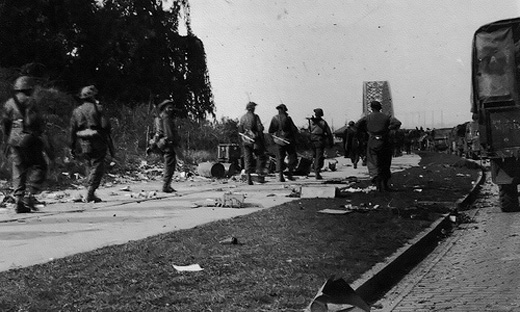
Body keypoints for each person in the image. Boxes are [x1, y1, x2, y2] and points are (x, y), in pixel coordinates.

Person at [2, 76, 54, 213]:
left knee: (18, 168)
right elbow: (33, 121)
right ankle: (30, 195)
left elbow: (5, 123)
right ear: (29, 88)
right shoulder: (30, 101)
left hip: (13, 139)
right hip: (28, 138)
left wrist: (9, 137)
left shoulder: (9, 103)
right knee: (40, 165)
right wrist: (40, 134)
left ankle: (18, 200)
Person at [70, 85, 114, 203]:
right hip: (97, 140)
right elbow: (106, 126)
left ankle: (89, 191)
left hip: (83, 142)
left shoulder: (77, 111)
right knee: (97, 166)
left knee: (88, 165)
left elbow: (72, 130)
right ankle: (90, 191)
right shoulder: (99, 109)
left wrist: (72, 145)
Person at [355, 101, 401, 192]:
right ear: (380, 108)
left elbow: (357, 125)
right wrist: (388, 129)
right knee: (385, 162)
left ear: (371, 108)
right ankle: (385, 184)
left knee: (373, 162)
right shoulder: (387, 117)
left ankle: (377, 183)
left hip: (372, 141)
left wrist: (366, 131)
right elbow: (397, 123)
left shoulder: (367, 118)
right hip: (384, 141)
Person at [153, 99, 181, 193]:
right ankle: (166, 186)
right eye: (169, 107)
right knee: (170, 166)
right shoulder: (166, 118)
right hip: (168, 145)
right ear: (165, 108)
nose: (171, 109)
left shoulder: (161, 117)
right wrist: (173, 143)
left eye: (172, 107)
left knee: (169, 165)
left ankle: (167, 185)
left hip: (165, 144)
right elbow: (169, 134)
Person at [238, 101, 267, 185]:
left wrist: (242, 140)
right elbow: (259, 128)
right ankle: (259, 173)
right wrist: (262, 140)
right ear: (253, 108)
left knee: (247, 159)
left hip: (245, 141)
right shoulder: (255, 117)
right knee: (261, 156)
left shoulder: (242, 118)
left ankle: (249, 178)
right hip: (255, 141)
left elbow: (240, 130)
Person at [268, 103, 298, 182]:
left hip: (278, 140)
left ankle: (280, 175)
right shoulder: (288, 118)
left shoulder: (274, 118)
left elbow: (270, 130)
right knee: (292, 156)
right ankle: (290, 173)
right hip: (288, 140)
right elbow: (294, 129)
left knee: (279, 158)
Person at [308, 108, 334, 180]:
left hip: (312, 141)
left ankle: (314, 169)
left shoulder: (311, 122)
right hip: (319, 141)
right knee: (319, 157)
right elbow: (329, 133)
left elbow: (308, 131)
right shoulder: (323, 122)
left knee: (315, 156)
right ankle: (317, 172)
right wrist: (331, 143)